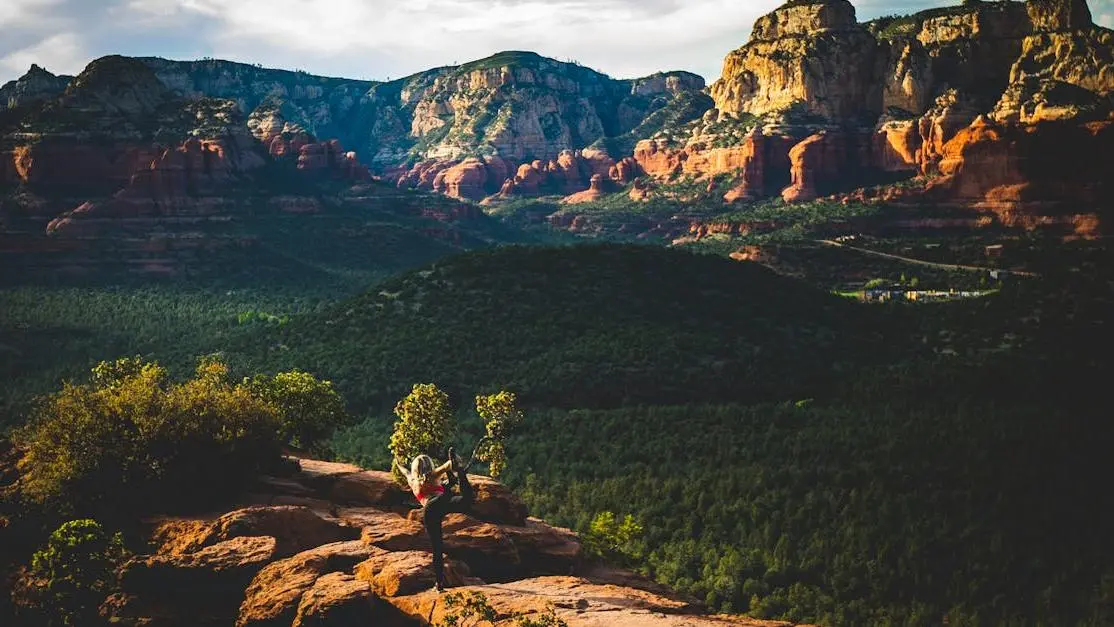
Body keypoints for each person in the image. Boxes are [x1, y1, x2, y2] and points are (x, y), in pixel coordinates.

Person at [394, 446, 474, 592]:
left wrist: (398, 462)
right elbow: (439, 470)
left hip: (433, 510)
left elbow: (405, 471)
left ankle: (439, 584)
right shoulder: (429, 477)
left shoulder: (413, 480)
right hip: (437, 504)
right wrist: (450, 465)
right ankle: (459, 471)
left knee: (437, 548)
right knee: (463, 498)